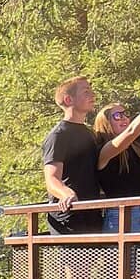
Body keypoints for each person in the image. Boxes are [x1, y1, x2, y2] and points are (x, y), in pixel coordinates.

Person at [42, 76, 103, 234]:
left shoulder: (89, 134)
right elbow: (52, 179)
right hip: (68, 217)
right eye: (86, 92)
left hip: (93, 214)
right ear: (69, 99)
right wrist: (66, 193)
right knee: (74, 259)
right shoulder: (58, 135)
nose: (92, 95)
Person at [94, 101, 140, 231]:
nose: (124, 118)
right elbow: (132, 131)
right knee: (126, 252)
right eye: (117, 115)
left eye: (125, 114)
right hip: (120, 217)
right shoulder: (105, 150)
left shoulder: (136, 145)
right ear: (106, 123)